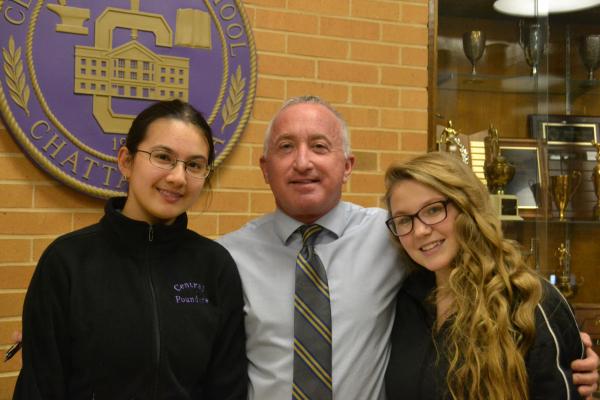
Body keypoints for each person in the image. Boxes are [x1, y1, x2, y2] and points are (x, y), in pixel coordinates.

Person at [217, 95, 599, 399]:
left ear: (348, 166)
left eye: (319, 146)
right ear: (265, 168)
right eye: (286, 147)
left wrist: (575, 354)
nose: (303, 162)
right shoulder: (225, 260)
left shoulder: (385, 236)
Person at [14, 100, 247, 399]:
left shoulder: (214, 266)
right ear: (126, 161)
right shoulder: (67, 262)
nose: (178, 177)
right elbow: (40, 388)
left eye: (194, 165)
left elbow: (228, 389)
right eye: (163, 157)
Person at [383, 151, 587, 399]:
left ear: (467, 208)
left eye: (434, 210)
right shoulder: (405, 300)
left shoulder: (530, 300)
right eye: (404, 220)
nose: (420, 230)